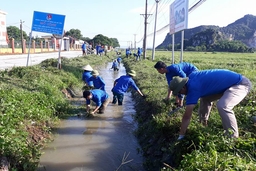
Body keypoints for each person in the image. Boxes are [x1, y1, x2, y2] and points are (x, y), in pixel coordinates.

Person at [168, 69, 252, 140]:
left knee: (223, 106)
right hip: (227, 85)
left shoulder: (193, 88)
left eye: (179, 92)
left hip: (240, 84)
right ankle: (203, 124)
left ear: (183, 87)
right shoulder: (191, 77)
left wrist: (181, 136)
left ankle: (232, 137)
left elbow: (187, 116)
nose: (180, 94)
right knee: (205, 98)